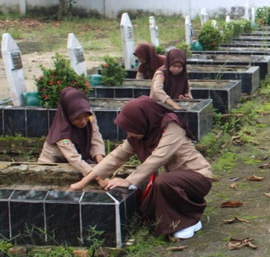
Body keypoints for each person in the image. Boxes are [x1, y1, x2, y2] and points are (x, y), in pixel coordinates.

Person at [70, 96, 213, 240]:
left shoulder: (172, 128)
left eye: (131, 128)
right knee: (152, 197)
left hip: (198, 177)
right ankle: (182, 219)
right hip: (175, 180)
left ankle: (188, 222)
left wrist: (129, 181)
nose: (129, 133)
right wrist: (82, 183)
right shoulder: (141, 135)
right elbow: (115, 157)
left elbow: (158, 158)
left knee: (163, 181)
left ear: (142, 121)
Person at [38, 87, 106, 184]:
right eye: (77, 118)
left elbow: (95, 136)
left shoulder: (89, 116)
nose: (83, 122)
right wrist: (98, 178)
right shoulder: (61, 132)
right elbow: (73, 158)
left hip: (79, 160)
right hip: (53, 164)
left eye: (85, 117)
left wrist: (99, 157)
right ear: (68, 115)